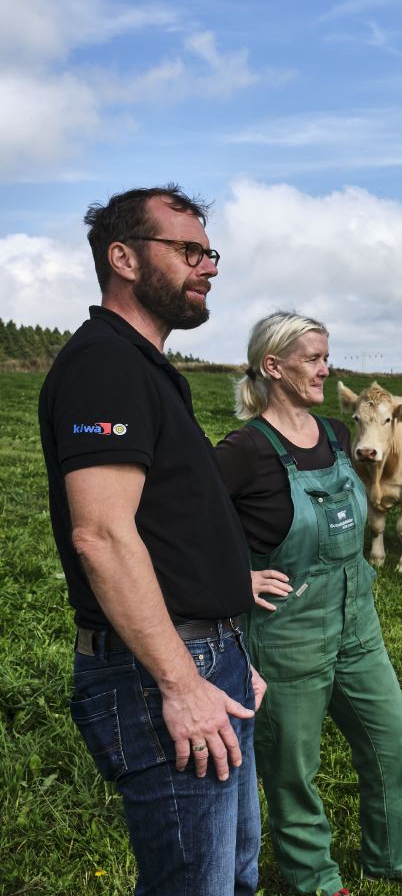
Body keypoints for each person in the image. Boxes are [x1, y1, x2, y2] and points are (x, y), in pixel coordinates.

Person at [39, 184, 264, 894]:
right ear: (124, 258)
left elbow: (166, 522)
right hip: (158, 670)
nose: (209, 267)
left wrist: (228, 635)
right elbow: (102, 533)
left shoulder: (146, 367)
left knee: (232, 874)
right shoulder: (104, 363)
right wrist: (181, 679)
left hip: (207, 656)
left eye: (209, 251)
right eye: (188, 250)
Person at [214, 311, 402, 894]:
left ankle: (393, 858)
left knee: (393, 740)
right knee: (294, 769)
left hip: (356, 620)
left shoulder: (338, 436)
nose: (325, 368)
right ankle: (313, 879)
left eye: (325, 355)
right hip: (287, 631)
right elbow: (181, 526)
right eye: (313, 358)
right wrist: (235, 578)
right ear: (274, 366)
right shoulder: (243, 451)